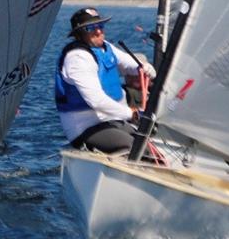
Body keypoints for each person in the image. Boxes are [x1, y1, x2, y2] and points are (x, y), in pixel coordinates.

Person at [54, 8, 156, 154]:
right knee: (135, 148)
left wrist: (145, 68)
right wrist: (130, 113)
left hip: (112, 121)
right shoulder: (77, 58)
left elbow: (130, 65)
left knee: (149, 148)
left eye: (100, 26)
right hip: (86, 128)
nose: (98, 31)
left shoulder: (105, 47)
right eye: (91, 28)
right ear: (79, 34)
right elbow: (96, 101)